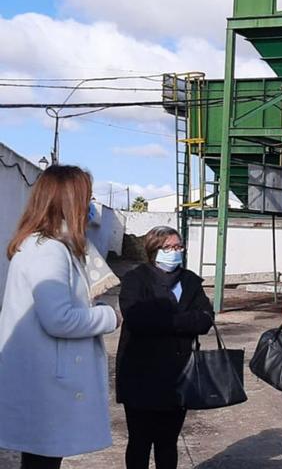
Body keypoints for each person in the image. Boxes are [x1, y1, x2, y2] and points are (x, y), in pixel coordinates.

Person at [0, 165, 121, 469]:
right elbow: (59, 319)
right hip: (49, 385)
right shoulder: (48, 250)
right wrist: (109, 317)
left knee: (39, 458)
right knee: (42, 460)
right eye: (86, 198)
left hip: (43, 381)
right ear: (67, 201)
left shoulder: (48, 246)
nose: (90, 206)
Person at [115, 226, 214, 469]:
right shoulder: (135, 279)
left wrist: (167, 321)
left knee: (168, 441)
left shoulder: (190, 280)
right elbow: (137, 319)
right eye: (168, 247)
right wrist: (182, 321)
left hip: (179, 373)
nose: (174, 252)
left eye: (178, 246)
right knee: (139, 441)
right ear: (153, 250)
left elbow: (205, 319)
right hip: (140, 374)